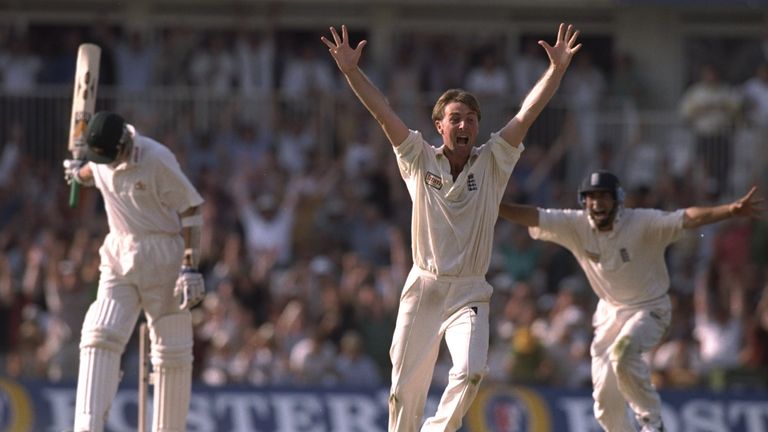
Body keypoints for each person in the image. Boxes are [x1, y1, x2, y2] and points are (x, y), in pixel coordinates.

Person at [322, 23, 582, 431]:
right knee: (404, 394)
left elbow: (526, 114)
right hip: (424, 286)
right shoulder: (417, 159)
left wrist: (556, 71)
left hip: (470, 290)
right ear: (439, 125)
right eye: (455, 119)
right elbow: (382, 112)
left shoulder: (494, 161)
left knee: (471, 371)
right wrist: (352, 72)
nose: (464, 127)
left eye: (471, 120)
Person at [498, 170, 764, 432]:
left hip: (650, 309)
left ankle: (651, 422)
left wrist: (729, 210)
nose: (597, 203)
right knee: (604, 403)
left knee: (623, 355)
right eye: (591, 197)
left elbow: (688, 218)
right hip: (609, 315)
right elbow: (532, 215)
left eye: (604, 197)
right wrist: (492, 205)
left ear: (618, 200)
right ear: (584, 201)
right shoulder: (575, 225)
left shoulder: (642, 223)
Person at [63, 111, 205, 432]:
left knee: (172, 353)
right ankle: (87, 427)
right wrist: (76, 172)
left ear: (125, 143)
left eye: (111, 157)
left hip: (163, 255)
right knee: (100, 332)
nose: (108, 164)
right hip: (118, 252)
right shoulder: (102, 159)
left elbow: (192, 207)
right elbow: (91, 172)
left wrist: (190, 265)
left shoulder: (156, 159)